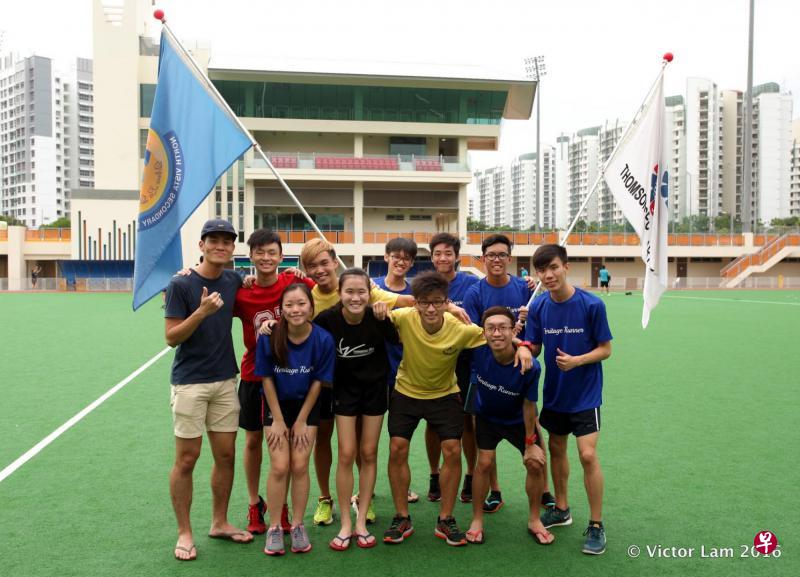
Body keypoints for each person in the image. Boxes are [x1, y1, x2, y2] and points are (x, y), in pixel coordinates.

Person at [382, 272, 533, 547]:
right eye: (424, 302)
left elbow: (494, 335)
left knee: (452, 449)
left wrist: (522, 346)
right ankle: (401, 516)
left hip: (444, 394)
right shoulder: (402, 318)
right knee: (397, 447)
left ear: (446, 302)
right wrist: (377, 309)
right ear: (415, 303)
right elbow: (369, 310)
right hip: (406, 392)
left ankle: (446, 518)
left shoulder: (460, 327)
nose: (430, 308)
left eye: (437, 302)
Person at [163, 219, 254, 562]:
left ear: (233, 248)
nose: (220, 246)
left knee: (226, 456)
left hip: (225, 380)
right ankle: (184, 531)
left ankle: (219, 522)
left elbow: (256, 286)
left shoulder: (233, 280)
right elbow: (171, 338)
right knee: (187, 458)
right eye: (213, 240)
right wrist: (201, 312)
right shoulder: (181, 283)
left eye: (227, 241)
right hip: (190, 381)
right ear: (201, 245)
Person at [525, 244, 613, 555]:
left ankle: (597, 524)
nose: (548, 275)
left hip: (586, 395)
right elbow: (534, 347)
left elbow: (606, 349)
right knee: (557, 448)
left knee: (587, 455)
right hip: (555, 394)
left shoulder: (592, 304)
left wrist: (578, 360)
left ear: (566, 267)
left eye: (553, 268)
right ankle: (561, 508)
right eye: (542, 270)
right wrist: (519, 344)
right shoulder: (538, 308)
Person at [462, 234, 555, 513]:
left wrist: (525, 345)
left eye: (502, 255)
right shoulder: (475, 293)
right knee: (484, 434)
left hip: (521, 368)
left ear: (510, 258)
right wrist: (514, 341)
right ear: (483, 258)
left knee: (532, 426)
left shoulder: (525, 288)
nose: (497, 260)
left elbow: (536, 328)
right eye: (491, 255)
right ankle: (495, 491)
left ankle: (545, 491)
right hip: (485, 370)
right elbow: (477, 335)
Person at [233, 229, 314, 535]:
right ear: (250, 255)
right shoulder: (241, 292)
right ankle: (256, 503)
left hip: (291, 377)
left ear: (282, 256)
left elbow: (329, 290)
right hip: (255, 375)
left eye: (272, 253)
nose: (266, 258)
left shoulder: (296, 284)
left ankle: (282, 508)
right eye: (259, 252)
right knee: (253, 441)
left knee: (288, 446)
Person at [315, 269, 400, 551]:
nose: (355, 297)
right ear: (339, 294)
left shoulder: (379, 317)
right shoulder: (327, 319)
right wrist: (270, 328)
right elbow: (298, 329)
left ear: (370, 293)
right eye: (349, 292)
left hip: (375, 391)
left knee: (368, 452)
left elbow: (403, 335)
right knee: (346, 453)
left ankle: (361, 519)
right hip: (344, 392)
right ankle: (346, 525)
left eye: (361, 291)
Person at [256, 283, 336, 556]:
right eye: (289, 305)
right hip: (276, 406)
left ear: (311, 307)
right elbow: (266, 379)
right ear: (282, 310)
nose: (296, 309)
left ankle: (299, 525)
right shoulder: (269, 337)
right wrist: (278, 420)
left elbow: (317, 382)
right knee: (280, 466)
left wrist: (301, 420)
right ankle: (275, 527)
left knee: (300, 466)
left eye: (301, 303)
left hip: (307, 408)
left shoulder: (323, 339)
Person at [465, 307, 553, 546]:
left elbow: (529, 405)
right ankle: (477, 520)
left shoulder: (530, 365)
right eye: (490, 328)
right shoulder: (476, 352)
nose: (496, 334)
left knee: (535, 463)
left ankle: (535, 519)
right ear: (482, 332)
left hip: (517, 420)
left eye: (503, 328)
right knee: (482, 463)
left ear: (513, 329)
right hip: (487, 417)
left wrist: (530, 443)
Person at [424, 233, 479, 504]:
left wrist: (527, 282)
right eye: (437, 253)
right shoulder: (425, 284)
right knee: (433, 423)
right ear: (431, 256)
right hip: (433, 364)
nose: (443, 258)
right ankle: (434, 474)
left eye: (448, 253)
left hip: (466, 363)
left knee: (468, 422)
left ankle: (470, 475)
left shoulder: (471, 283)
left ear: (457, 255)